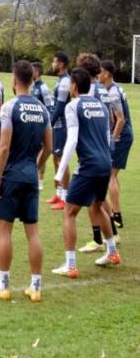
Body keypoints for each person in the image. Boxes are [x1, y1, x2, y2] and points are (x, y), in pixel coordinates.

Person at [0, 61, 52, 302]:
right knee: (32, 232)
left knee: (5, 231)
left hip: (11, 176)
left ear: (14, 81)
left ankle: (3, 285)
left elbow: (3, 148)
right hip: (31, 177)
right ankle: (36, 287)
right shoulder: (43, 110)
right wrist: (36, 166)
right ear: (33, 80)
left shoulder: (9, 108)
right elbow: (49, 147)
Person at [52, 68, 121, 278]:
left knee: (69, 212)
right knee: (98, 206)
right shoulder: (100, 104)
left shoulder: (73, 106)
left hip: (89, 165)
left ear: (73, 85)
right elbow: (108, 133)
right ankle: (112, 253)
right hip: (105, 162)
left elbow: (72, 140)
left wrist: (59, 172)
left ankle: (70, 264)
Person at [99, 60, 133, 241]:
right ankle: (116, 212)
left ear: (107, 74)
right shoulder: (114, 88)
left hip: (121, 136)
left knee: (110, 175)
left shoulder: (112, 93)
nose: (98, 74)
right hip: (123, 136)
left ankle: (116, 214)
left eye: (100, 72)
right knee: (113, 175)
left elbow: (120, 119)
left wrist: (112, 140)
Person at [46, 52, 71, 210]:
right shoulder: (61, 80)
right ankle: (59, 193)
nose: (53, 64)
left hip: (62, 126)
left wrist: (50, 124)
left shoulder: (65, 81)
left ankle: (66, 197)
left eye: (54, 62)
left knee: (62, 160)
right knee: (56, 159)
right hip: (57, 126)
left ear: (61, 64)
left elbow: (60, 107)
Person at [31, 62, 54, 190]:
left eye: (32, 70)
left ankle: (40, 180)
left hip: (42, 125)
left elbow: (50, 107)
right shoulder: (32, 86)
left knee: (42, 151)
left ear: (38, 72)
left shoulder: (43, 88)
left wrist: (46, 125)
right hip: (33, 124)